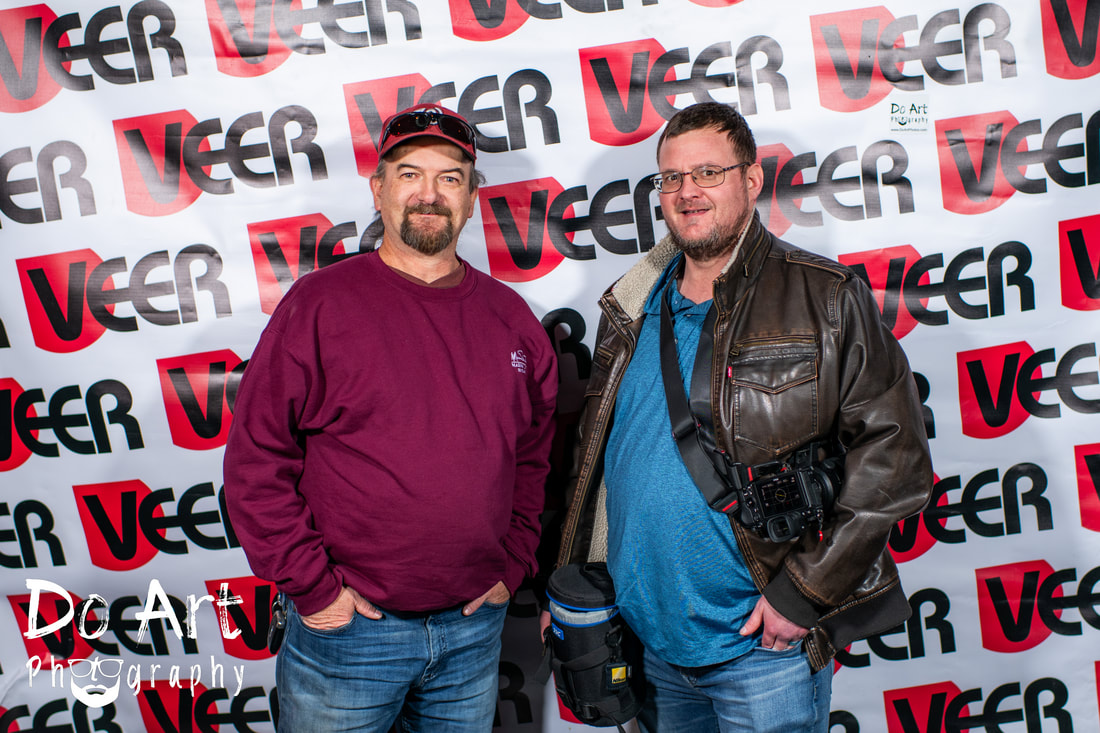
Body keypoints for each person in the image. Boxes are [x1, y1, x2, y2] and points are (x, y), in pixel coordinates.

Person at [551, 102, 932, 731]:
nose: (687, 192)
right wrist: (570, 588)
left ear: (751, 180)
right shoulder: (630, 307)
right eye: (671, 178)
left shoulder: (825, 295)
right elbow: (597, 464)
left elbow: (895, 462)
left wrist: (803, 594)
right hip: (648, 646)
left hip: (762, 650)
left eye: (708, 172)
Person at [224, 103, 558, 732]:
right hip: (349, 635)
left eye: (450, 178)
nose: (429, 194)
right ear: (378, 191)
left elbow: (532, 461)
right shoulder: (319, 306)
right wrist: (315, 589)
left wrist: (513, 564)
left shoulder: (512, 318)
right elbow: (256, 462)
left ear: (472, 198)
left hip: (472, 630)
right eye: (409, 175)